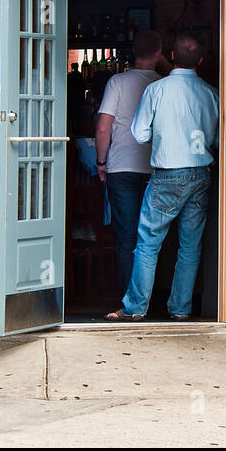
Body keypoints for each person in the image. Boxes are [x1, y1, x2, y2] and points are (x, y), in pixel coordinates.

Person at [107, 34, 219, 322]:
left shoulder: (157, 89)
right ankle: (180, 309)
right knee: (190, 246)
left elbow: (140, 133)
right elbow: (218, 140)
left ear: (171, 54)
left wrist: (163, 137)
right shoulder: (211, 93)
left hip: (167, 174)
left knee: (148, 242)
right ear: (202, 61)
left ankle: (135, 308)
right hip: (201, 174)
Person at [95, 30, 163, 295]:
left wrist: (101, 162)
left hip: (121, 166)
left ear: (133, 52)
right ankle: (151, 297)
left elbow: (103, 128)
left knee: (127, 238)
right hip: (155, 168)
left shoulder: (117, 82)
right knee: (152, 237)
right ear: (158, 53)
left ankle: (127, 298)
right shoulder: (163, 83)